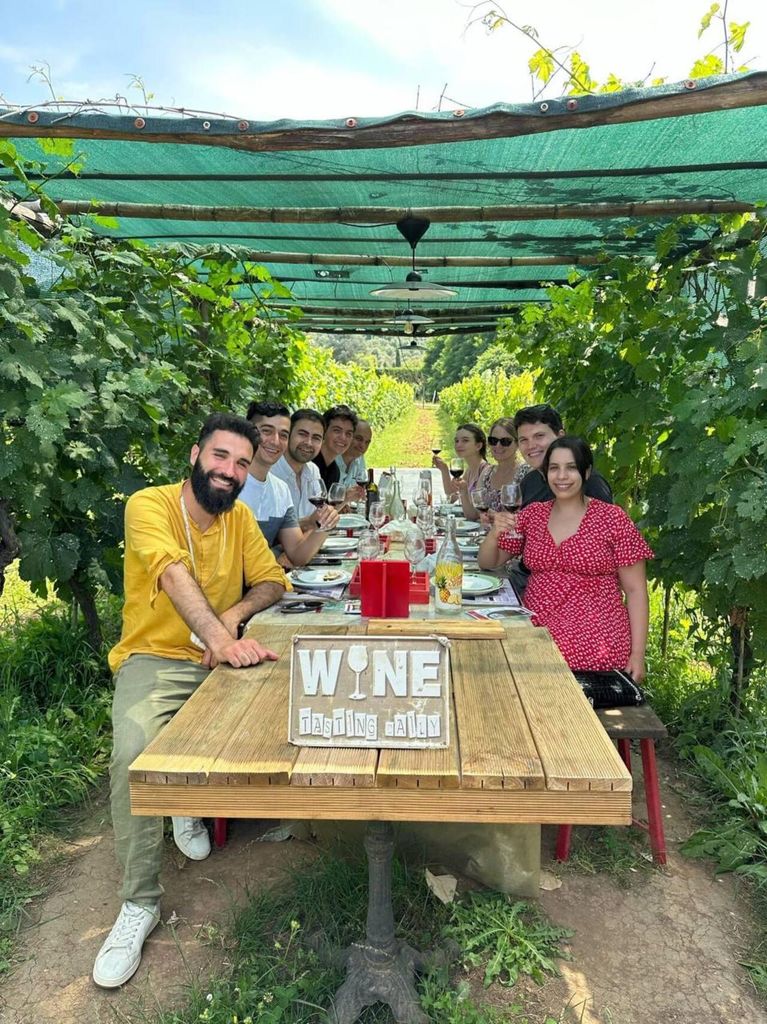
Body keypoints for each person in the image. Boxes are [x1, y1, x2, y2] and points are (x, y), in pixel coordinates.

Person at [93, 413, 290, 990]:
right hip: (157, 658)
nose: (229, 471)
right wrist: (222, 639)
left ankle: (257, 818)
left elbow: (274, 580)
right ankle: (139, 905)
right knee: (131, 753)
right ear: (195, 454)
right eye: (220, 457)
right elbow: (175, 579)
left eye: (241, 464)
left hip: (219, 653)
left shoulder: (242, 518)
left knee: (299, 701)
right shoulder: (149, 506)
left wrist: (228, 621)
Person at [478, 436, 652, 681]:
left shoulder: (613, 519)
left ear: (586, 471)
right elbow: (489, 561)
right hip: (537, 630)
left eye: (571, 468)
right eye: (554, 468)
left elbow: (635, 591)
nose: (561, 476)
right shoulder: (533, 515)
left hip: (596, 636)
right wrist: (496, 532)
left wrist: (637, 654)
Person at [240, 401, 339, 565]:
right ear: (247, 433)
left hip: (264, 578)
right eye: (267, 431)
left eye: (283, 435)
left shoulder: (280, 489)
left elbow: (298, 555)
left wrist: (325, 526)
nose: (275, 441)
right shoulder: (228, 483)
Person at [513, 404, 613, 506]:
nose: (531, 446)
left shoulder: (589, 482)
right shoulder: (528, 482)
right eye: (524, 440)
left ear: (560, 436)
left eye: (539, 436)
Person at [457, 417, 529, 521]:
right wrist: (463, 491)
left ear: (517, 444)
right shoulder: (487, 473)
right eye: (493, 441)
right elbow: (472, 515)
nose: (498, 446)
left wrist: (495, 516)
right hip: (487, 536)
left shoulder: (526, 473)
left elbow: (529, 519)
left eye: (505, 441)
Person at [271, 408, 326, 525]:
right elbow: (268, 530)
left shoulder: (313, 470)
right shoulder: (270, 470)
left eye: (316, 438)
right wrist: (308, 522)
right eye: (302, 434)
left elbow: (320, 515)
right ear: (288, 434)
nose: (309, 443)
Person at [432, 423, 489, 502]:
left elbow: (477, 508)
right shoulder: (469, 470)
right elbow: (452, 496)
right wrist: (444, 469)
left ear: (478, 446)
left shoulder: (486, 471)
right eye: (456, 441)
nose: (458, 445)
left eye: (465, 440)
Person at [313, 404, 357, 488]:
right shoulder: (309, 462)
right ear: (323, 431)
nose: (343, 437)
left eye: (348, 433)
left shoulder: (335, 471)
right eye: (337, 431)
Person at [336, 418, 372, 491]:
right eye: (359, 439)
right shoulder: (331, 458)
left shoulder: (359, 458)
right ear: (348, 436)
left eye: (367, 442)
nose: (362, 446)